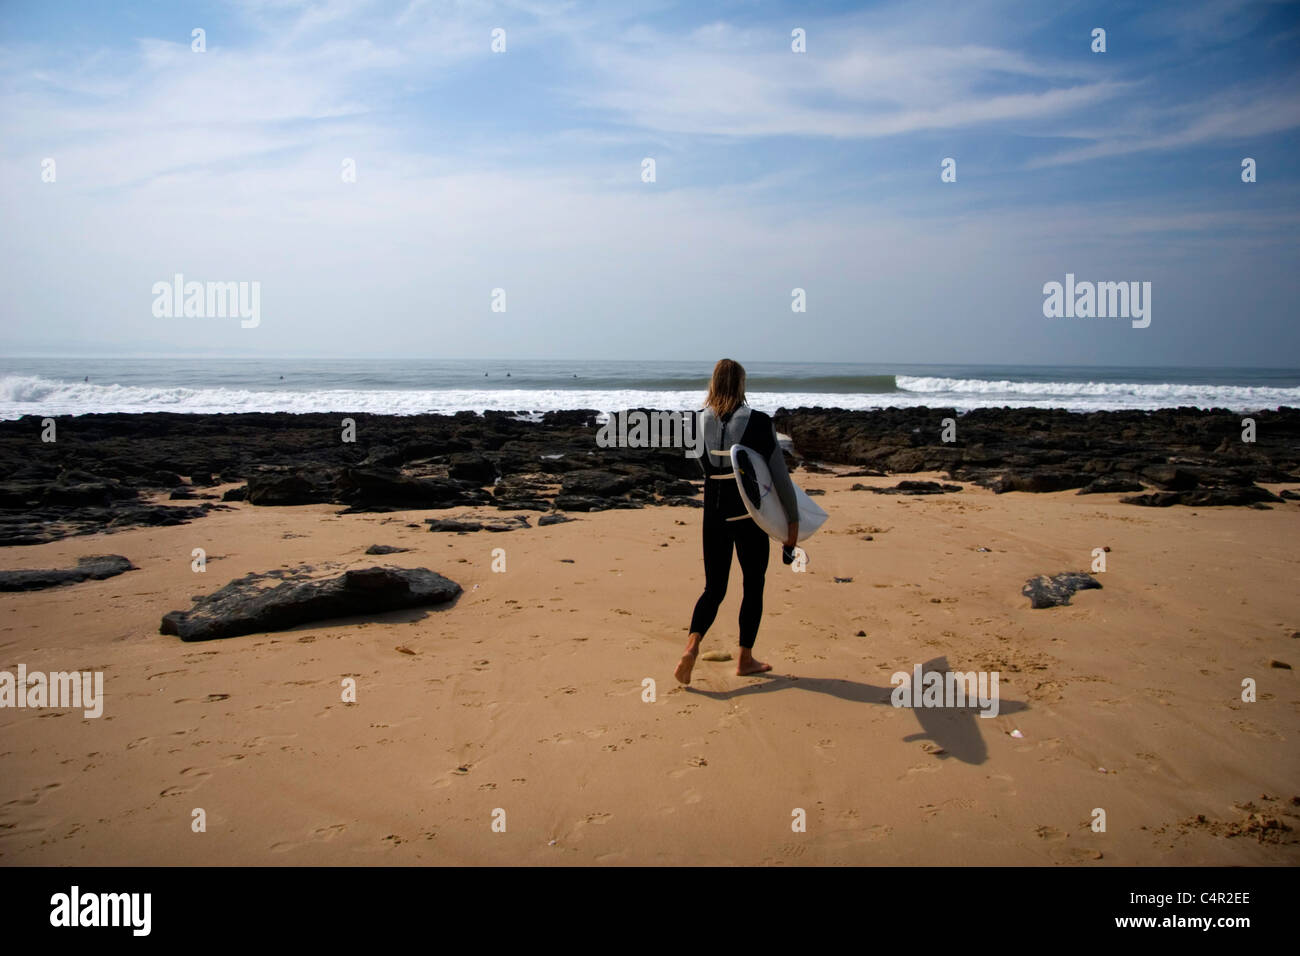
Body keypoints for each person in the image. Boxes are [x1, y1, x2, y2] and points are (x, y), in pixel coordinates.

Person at [675, 359, 798, 683]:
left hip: (713, 511)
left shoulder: (697, 421)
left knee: (714, 588)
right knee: (753, 584)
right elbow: (779, 478)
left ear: (713, 383)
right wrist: (793, 524)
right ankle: (745, 659)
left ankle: (691, 646)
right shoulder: (758, 422)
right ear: (741, 384)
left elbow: (702, 467)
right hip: (748, 513)